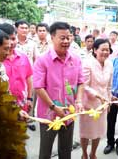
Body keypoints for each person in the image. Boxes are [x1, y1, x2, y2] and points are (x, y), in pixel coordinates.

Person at [33, 22, 84, 159]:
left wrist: (78, 100)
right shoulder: (42, 60)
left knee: (66, 150)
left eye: (68, 37)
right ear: (52, 37)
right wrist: (54, 107)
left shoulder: (76, 59)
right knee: (45, 152)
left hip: (69, 113)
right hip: (48, 115)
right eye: (62, 38)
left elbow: (80, 82)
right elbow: (38, 87)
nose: (66, 41)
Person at [0, 29, 28, 158]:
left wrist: (15, 110)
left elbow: (5, 93)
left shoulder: (0, 66)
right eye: (5, 49)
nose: (8, 53)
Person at [0, 23, 35, 131]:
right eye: (8, 39)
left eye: (13, 38)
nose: (12, 42)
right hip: (2, 106)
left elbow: (28, 78)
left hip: (21, 105)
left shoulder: (23, 57)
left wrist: (29, 98)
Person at [80, 39, 113, 159]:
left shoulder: (110, 64)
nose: (105, 52)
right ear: (95, 50)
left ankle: (93, 153)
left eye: (107, 49)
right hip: (89, 105)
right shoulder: (87, 63)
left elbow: (109, 86)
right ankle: (84, 153)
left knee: (98, 131)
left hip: (103, 105)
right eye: (102, 49)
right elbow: (84, 85)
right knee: (86, 132)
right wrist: (98, 95)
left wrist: (108, 101)